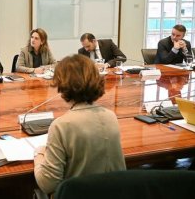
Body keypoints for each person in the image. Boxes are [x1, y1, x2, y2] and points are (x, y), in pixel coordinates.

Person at [34, 54, 126, 197]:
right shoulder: (111, 116)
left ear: (63, 85)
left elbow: (47, 184)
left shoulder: (61, 125)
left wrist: (39, 155)